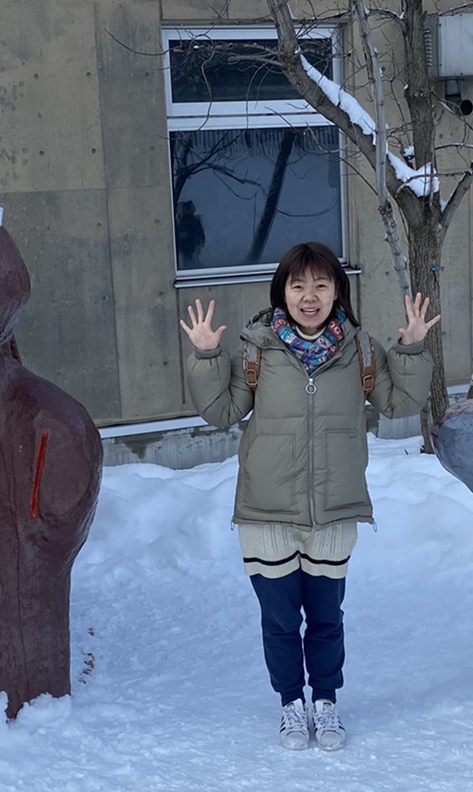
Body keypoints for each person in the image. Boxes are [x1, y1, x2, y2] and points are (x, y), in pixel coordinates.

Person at [180, 241, 439, 751]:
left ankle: (326, 701)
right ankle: (290, 706)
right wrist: (208, 356)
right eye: (298, 285)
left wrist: (409, 349)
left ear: (337, 291)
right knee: (279, 619)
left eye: (321, 284)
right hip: (265, 511)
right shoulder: (257, 348)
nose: (309, 296)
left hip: (334, 510)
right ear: (283, 292)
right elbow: (223, 411)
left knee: (326, 617)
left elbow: (399, 403)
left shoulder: (360, 350)